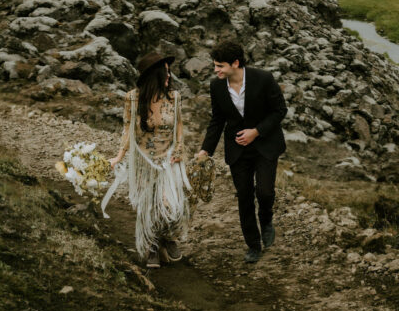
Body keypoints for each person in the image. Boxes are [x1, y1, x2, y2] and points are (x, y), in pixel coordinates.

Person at [196, 40, 287, 264]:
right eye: (215, 66)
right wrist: (205, 150)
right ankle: (253, 245)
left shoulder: (263, 79)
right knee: (244, 196)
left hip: (265, 144)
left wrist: (256, 132)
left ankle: (266, 220)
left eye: (220, 66)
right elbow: (217, 120)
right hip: (237, 149)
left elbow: (280, 111)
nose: (215, 70)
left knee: (265, 192)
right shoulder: (216, 86)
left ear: (235, 63)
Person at [109, 51, 189, 268]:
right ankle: (152, 243)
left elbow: (179, 125)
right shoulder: (132, 98)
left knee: (170, 204)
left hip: (169, 158)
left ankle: (168, 236)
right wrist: (119, 156)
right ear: (154, 75)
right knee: (149, 204)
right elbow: (127, 129)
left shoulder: (174, 97)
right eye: (166, 72)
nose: (169, 76)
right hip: (144, 160)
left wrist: (179, 149)